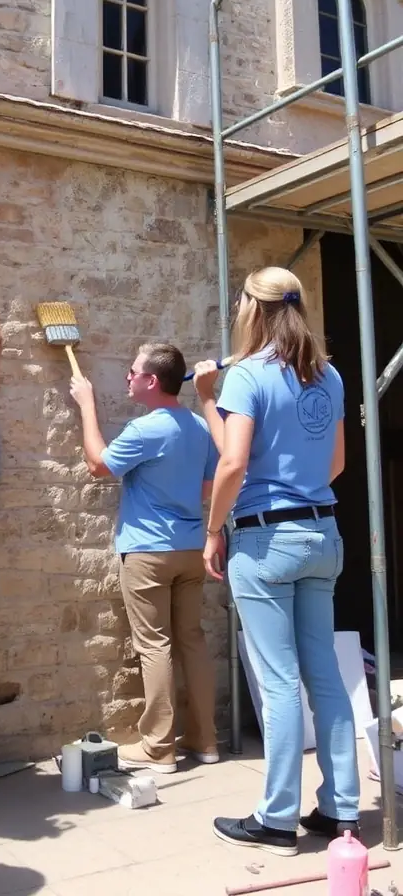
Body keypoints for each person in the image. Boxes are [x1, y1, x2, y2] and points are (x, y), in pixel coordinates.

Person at [194, 266, 358, 858]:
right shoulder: (329, 375)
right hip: (323, 533)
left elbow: (234, 464)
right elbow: (334, 463)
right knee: (325, 676)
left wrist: (214, 530)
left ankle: (276, 819)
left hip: (266, 539)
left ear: (250, 308)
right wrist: (212, 403)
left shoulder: (249, 373)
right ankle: (341, 809)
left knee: (279, 680)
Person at [70, 342, 219, 774]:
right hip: (190, 548)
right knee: (192, 639)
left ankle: (159, 747)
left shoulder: (145, 429)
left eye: (132, 372)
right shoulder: (198, 427)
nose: (128, 378)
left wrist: (86, 404)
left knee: (155, 645)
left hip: (148, 551)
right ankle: (206, 740)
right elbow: (209, 489)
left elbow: (99, 465)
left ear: (152, 381)